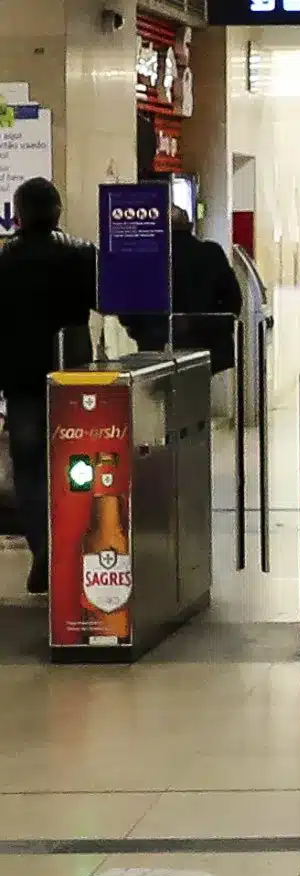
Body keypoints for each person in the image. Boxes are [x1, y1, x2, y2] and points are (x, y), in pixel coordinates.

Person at [0, 178, 97, 595]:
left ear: (19, 214)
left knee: (30, 470)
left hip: (21, 382)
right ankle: (76, 546)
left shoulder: (4, 261)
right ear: (58, 210)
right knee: (78, 465)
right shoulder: (81, 254)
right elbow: (106, 299)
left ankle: (43, 547)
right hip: (72, 378)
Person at [122, 207, 243, 375]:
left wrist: (141, 331)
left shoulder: (145, 258)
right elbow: (233, 300)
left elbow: (128, 307)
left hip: (157, 349)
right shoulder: (211, 253)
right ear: (189, 226)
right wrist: (217, 327)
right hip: (208, 348)